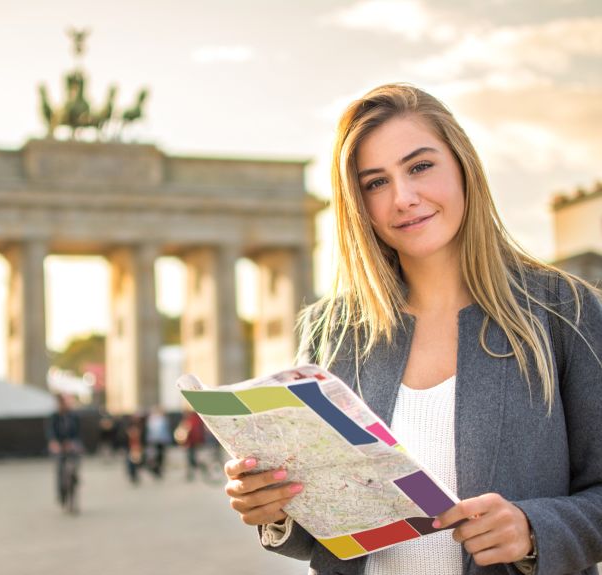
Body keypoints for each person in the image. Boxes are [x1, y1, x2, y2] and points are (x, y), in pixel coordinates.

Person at [222, 84, 602, 575]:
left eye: (420, 166)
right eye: (375, 183)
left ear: (463, 165)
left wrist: (535, 528)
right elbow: (325, 534)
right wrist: (275, 509)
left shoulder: (563, 311)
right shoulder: (331, 330)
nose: (403, 198)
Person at [46, 394, 82, 510]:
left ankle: (75, 479)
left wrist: (74, 443)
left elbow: (78, 432)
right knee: (60, 468)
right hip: (59, 445)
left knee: (75, 462)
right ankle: (61, 492)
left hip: (71, 444)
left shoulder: (73, 416)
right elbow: (50, 432)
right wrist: (54, 443)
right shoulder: (54, 417)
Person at [145, 406, 171, 478]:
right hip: (154, 440)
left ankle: (158, 469)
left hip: (161, 440)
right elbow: (149, 431)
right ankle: (155, 469)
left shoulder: (163, 419)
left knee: (160, 456)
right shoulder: (152, 420)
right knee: (155, 456)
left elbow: (166, 431)